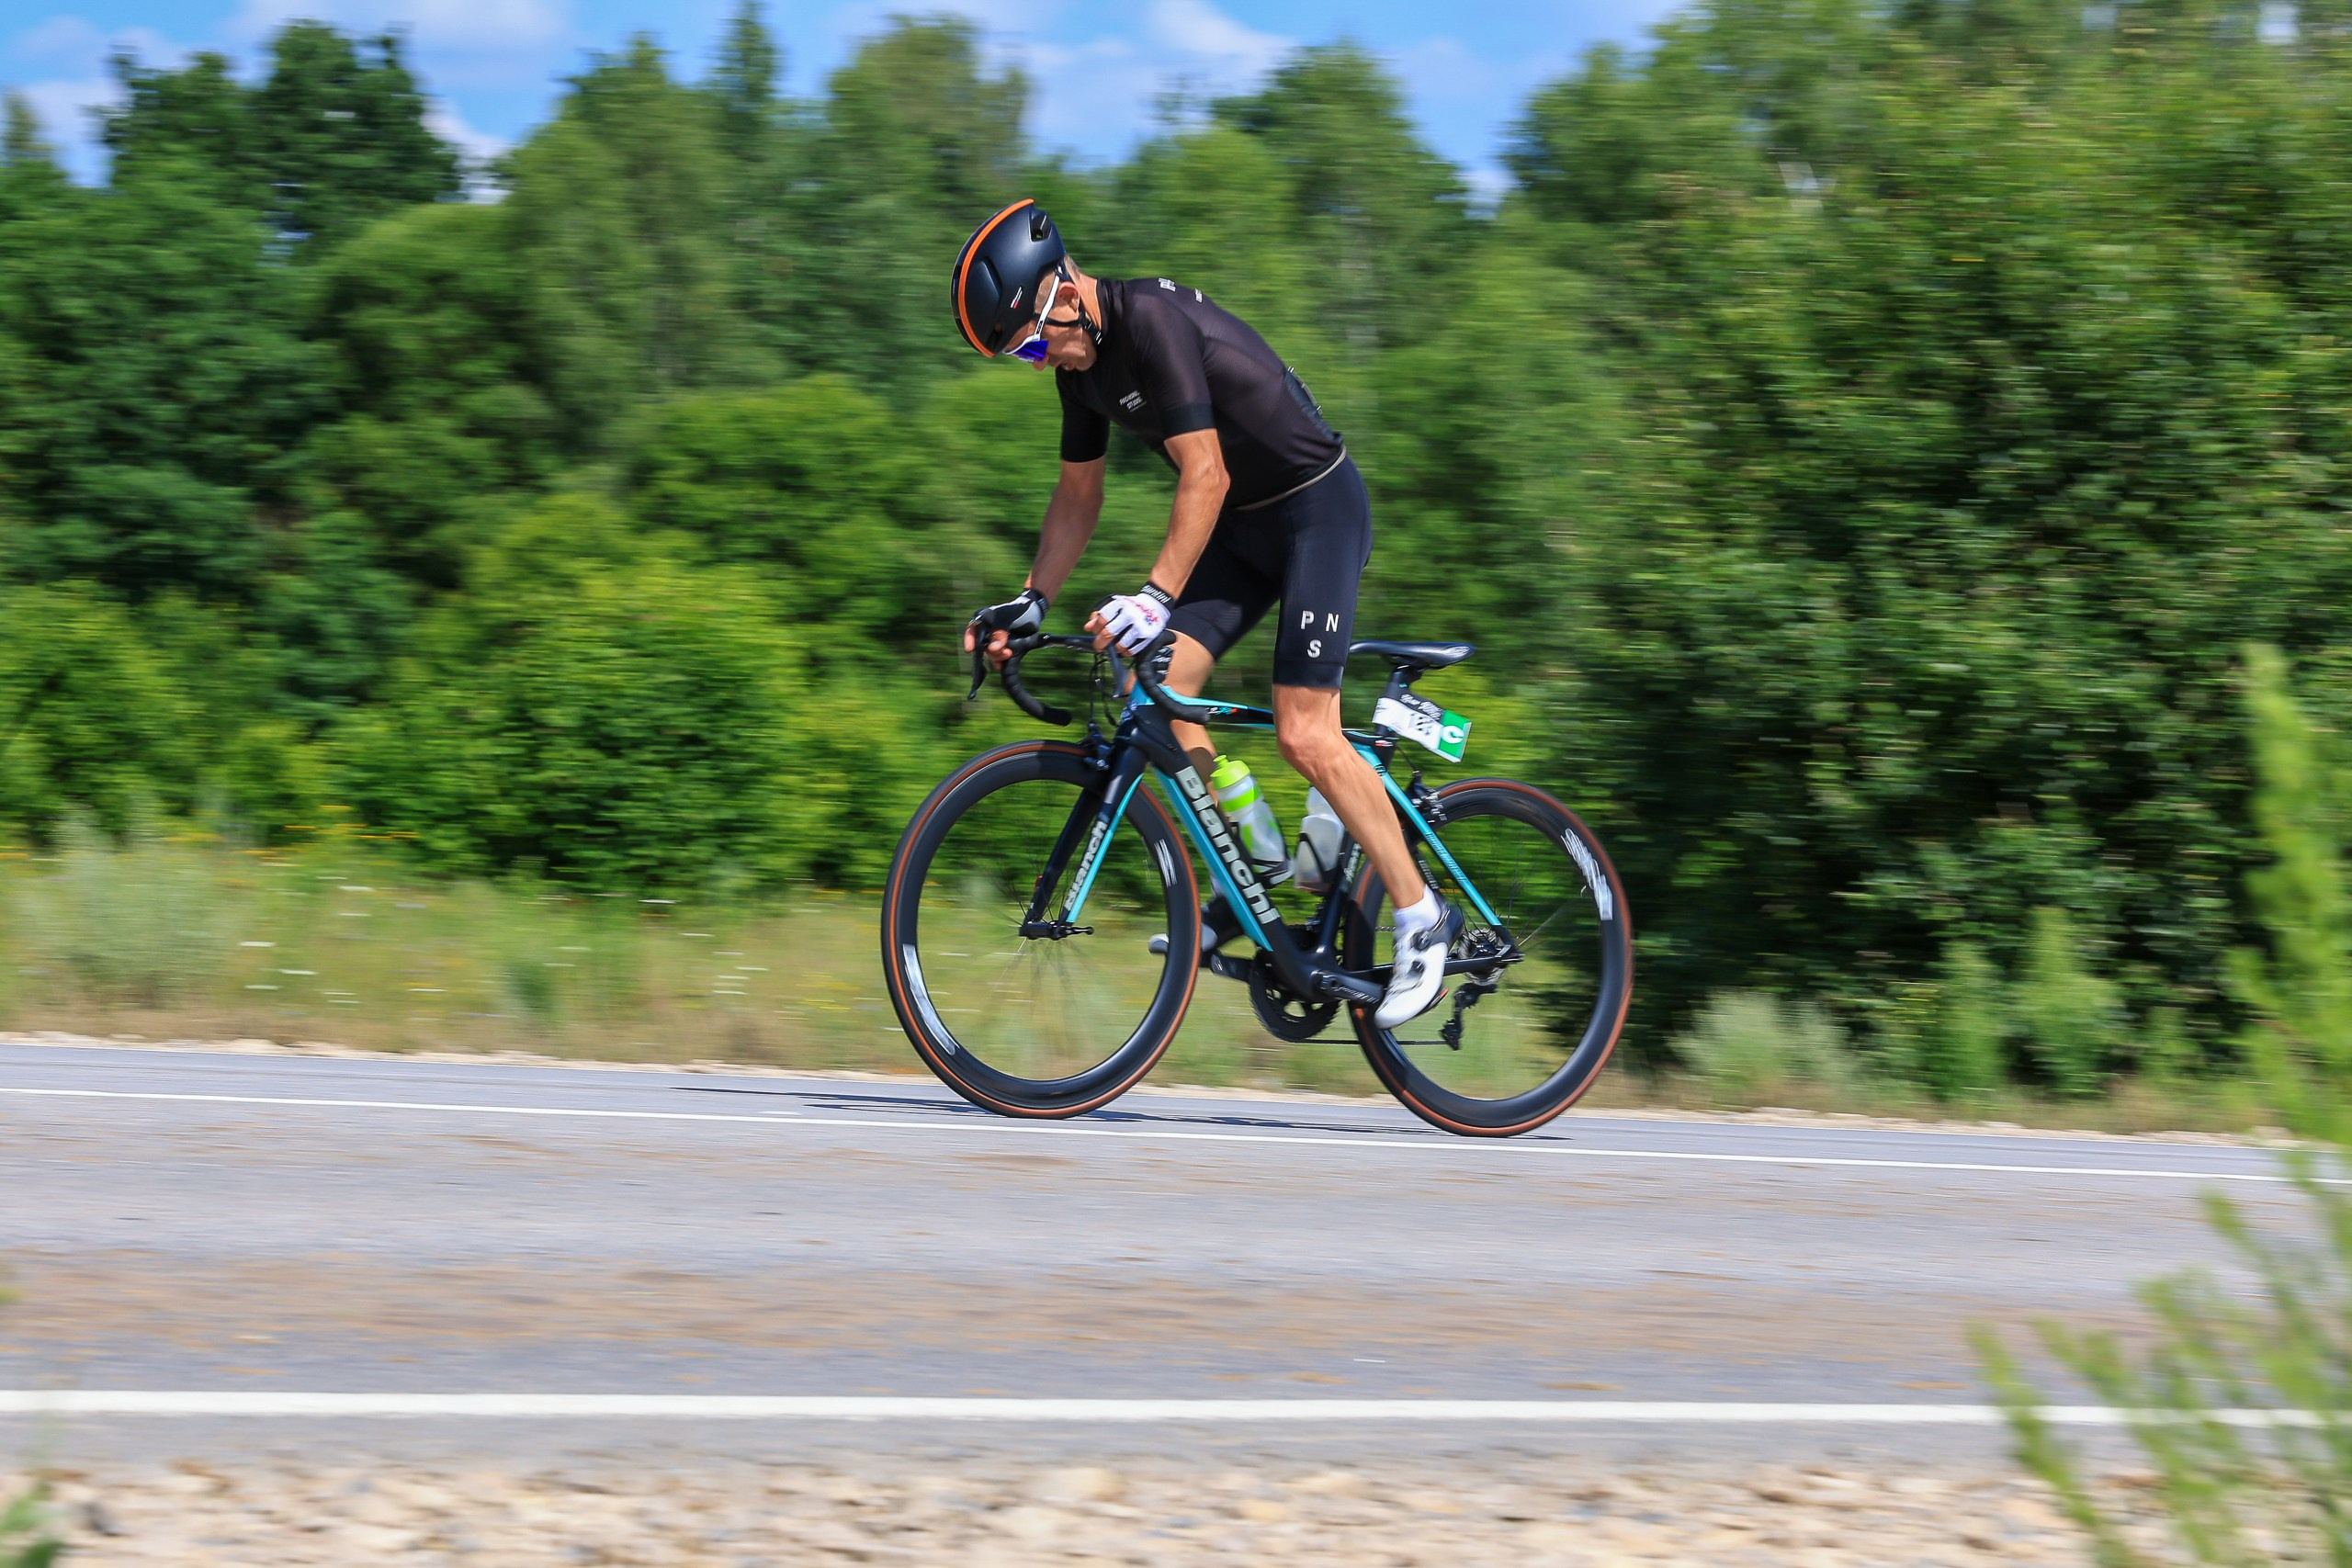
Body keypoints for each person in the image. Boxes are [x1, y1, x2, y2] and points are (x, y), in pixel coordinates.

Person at [952, 197, 1457, 1029]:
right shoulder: (1082, 371)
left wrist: (1154, 595)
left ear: (1063, 294)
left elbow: (1207, 475)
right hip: (1246, 528)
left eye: (1034, 341)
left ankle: (1420, 916)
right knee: (1151, 679)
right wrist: (1034, 596)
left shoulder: (1150, 322)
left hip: (1315, 511)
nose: (1040, 362)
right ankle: (1250, 868)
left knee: (1304, 731)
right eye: (1022, 356)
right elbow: (1080, 492)